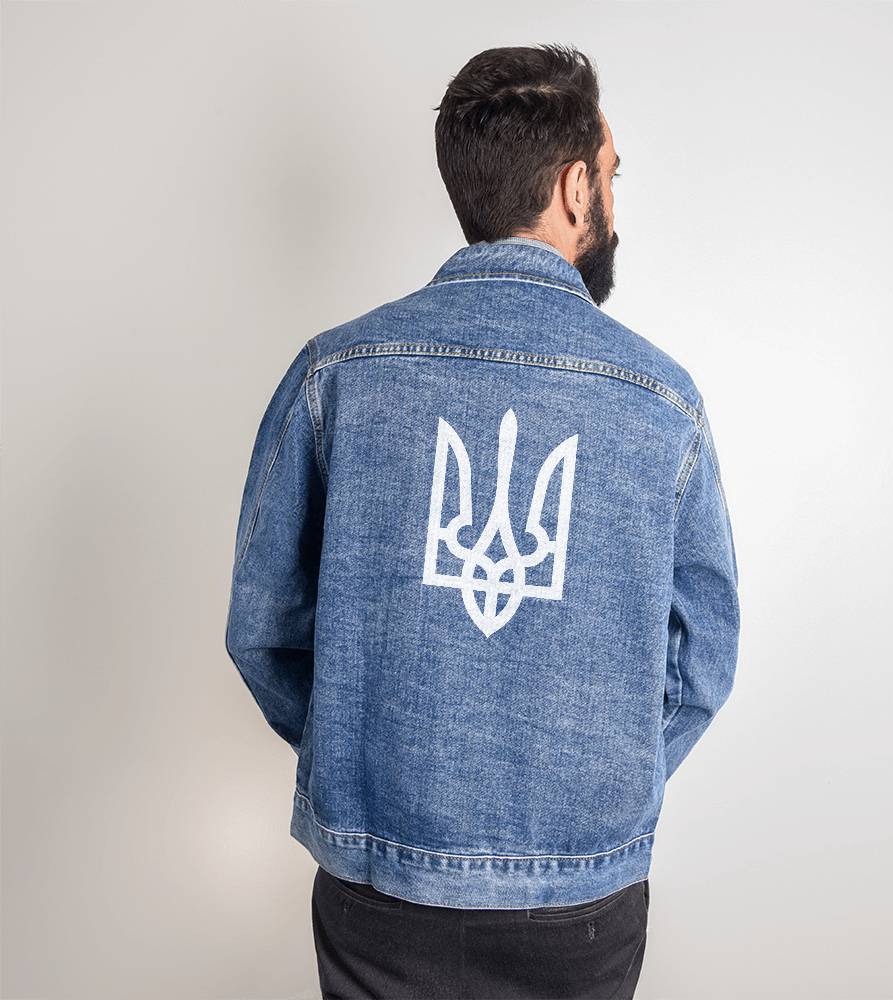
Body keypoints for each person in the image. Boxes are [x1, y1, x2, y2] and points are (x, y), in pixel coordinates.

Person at [225, 42, 740, 1000]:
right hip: (581, 905)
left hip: (379, 890)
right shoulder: (661, 402)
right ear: (576, 187)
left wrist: (364, 755)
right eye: (612, 173)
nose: (614, 200)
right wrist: (602, 788)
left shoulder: (337, 374)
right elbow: (702, 659)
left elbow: (262, 628)